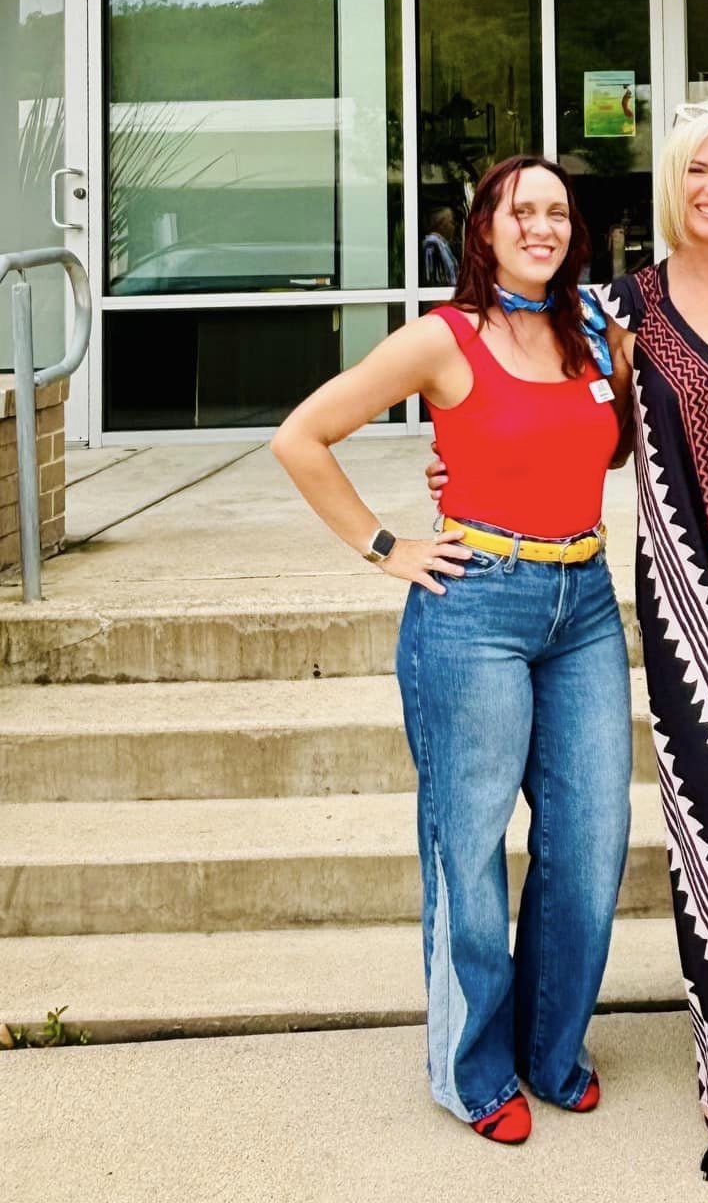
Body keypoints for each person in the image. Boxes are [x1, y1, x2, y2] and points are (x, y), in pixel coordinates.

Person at [428, 104, 708, 1194]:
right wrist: (456, 485)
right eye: (699, 169)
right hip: (690, 594)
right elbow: (577, 422)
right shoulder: (617, 308)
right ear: (672, 184)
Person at [272, 156, 632, 1147]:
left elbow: (608, 446)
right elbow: (303, 435)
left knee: (592, 834)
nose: (544, 225)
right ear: (486, 226)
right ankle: (473, 1066)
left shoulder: (596, 328)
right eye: (525, 210)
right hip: (475, 606)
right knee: (468, 844)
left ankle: (551, 1047)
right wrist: (388, 545)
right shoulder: (444, 334)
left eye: (559, 211)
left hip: (586, 602)